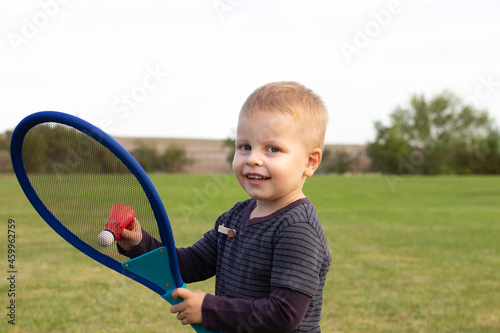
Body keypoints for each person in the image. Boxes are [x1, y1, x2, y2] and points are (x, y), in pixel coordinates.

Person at [117, 81, 332, 332]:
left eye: (273, 149)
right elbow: (192, 262)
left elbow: (284, 314)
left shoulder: (297, 229)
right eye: (245, 146)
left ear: (310, 161)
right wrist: (139, 242)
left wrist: (209, 308)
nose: (253, 159)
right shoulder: (235, 216)